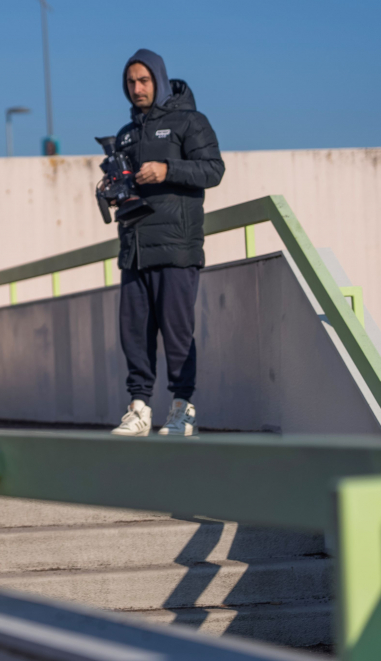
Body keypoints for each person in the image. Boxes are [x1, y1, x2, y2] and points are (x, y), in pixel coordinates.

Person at [109, 49, 224, 438]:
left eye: (143, 80)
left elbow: (213, 169)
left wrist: (167, 169)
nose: (137, 88)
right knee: (134, 334)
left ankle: (182, 409)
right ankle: (139, 409)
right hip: (134, 248)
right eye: (130, 82)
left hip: (176, 246)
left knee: (176, 332)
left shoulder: (189, 121)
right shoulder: (126, 133)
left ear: (158, 78)